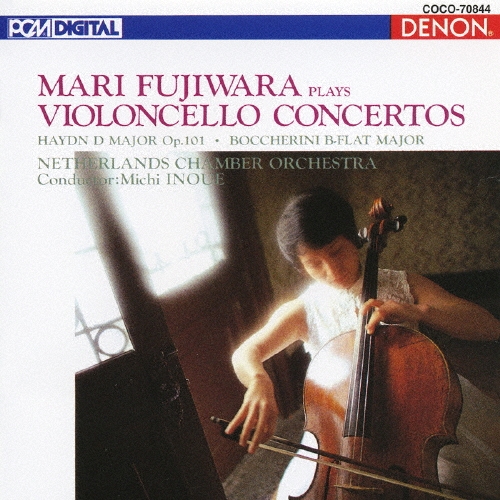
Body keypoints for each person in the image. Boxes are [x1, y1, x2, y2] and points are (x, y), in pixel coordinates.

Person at [225, 187, 500, 498]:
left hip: (413, 423)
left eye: (336, 251)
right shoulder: (304, 310)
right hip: (338, 436)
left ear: (355, 240)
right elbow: (246, 352)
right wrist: (259, 380)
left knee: (450, 482)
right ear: (301, 267)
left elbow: (489, 327)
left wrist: (418, 311)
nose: (332, 270)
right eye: (314, 263)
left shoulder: (402, 284)